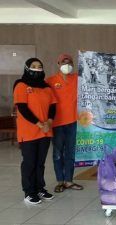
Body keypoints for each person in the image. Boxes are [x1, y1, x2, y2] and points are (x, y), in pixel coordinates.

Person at [13, 58, 56, 204]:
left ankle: (39, 188)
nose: (37, 69)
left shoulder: (47, 87)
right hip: (29, 131)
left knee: (40, 162)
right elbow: (23, 108)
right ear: (27, 68)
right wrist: (39, 124)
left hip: (45, 131)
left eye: (40, 67)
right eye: (33, 66)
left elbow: (53, 106)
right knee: (30, 162)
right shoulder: (21, 85)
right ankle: (29, 192)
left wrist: (49, 122)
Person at [46, 54, 83, 193]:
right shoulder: (50, 81)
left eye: (69, 62)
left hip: (73, 122)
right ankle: (60, 181)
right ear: (58, 63)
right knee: (57, 153)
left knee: (70, 153)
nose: (66, 65)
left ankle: (69, 180)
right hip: (56, 123)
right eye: (63, 62)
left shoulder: (77, 79)